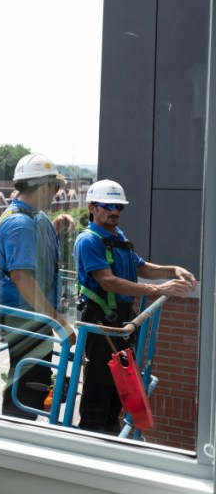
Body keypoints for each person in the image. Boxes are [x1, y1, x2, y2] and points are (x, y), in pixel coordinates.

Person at [74, 179, 196, 434]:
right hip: (100, 321)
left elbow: (142, 268)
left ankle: (110, 431)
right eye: (108, 206)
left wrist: (173, 269)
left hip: (119, 322)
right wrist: (159, 290)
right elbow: (108, 282)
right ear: (92, 207)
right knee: (99, 385)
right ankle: (91, 436)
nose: (115, 211)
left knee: (119, 386)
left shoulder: (117, 237)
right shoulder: (90, 240)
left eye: (119, 206)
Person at [0, 153, 74, 420]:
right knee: (28, 385)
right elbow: (22, 277)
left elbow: (31, 251)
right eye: (55, 186)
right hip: (23, 313)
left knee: (31, 379)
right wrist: (59, 321)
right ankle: (16, 436)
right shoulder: (20, 224)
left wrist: (56, 226)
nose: (57, 192)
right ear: (43, 186)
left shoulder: (33, 217)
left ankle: (18, 431)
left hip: (32, 312)